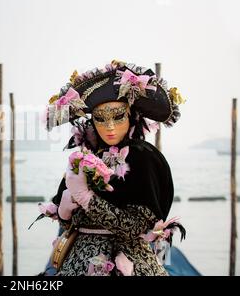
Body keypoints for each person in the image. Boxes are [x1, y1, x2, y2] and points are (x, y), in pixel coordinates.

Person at [41, 60, 186, 276]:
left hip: (126, 262)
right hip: (76, 262)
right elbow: (65, 218)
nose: (109, 127)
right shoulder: (84, 157)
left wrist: (86, 198)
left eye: (118, 117)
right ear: (91, 121)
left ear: (131, 115)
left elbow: (135, 227)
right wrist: (64, 209)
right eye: (100, 119)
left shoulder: (142, 157)